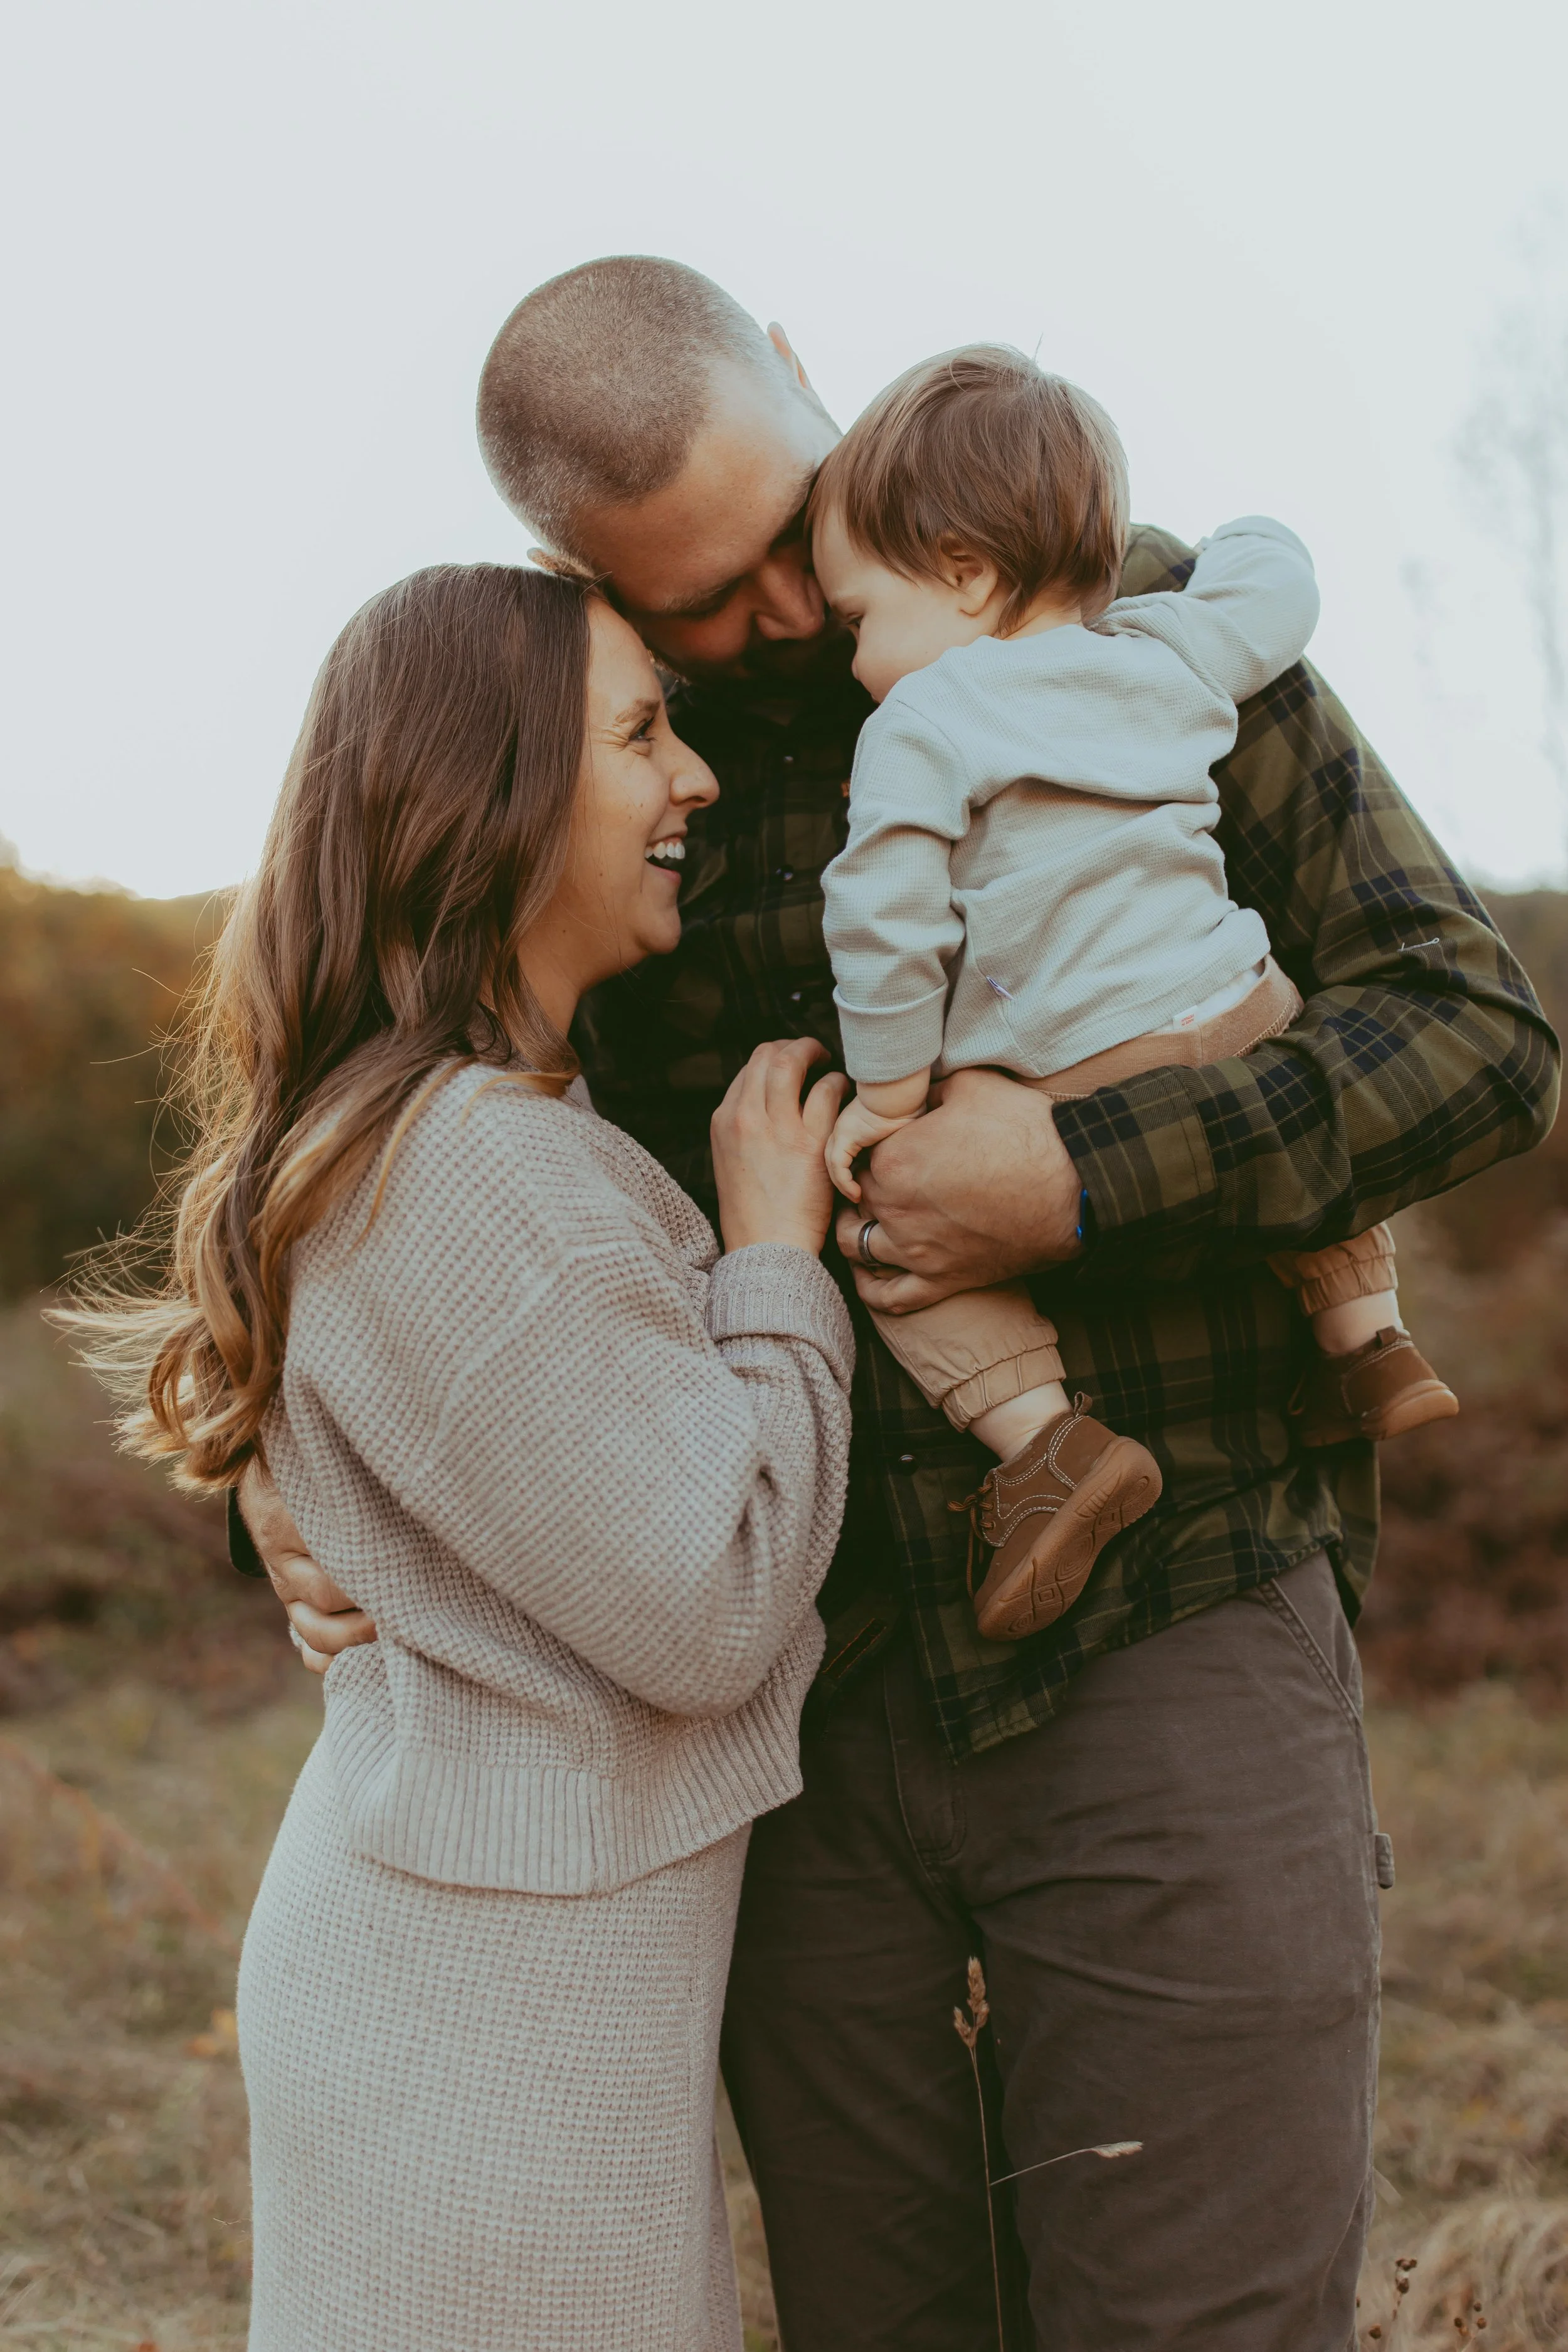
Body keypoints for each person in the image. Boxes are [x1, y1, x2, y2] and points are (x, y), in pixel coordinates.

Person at [239, 258, 1560, 2352]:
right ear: (585, 576)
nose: (776, 622)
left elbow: (1477, 1037)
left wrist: (1083, 1179)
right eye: (701, 602)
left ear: (793, 359)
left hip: (1174, 1628)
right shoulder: (602, 774)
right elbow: (394, 1111)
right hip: (801, 1724)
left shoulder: (1111, 610)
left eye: (792, 541)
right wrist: (295, 1472)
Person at [61, 564, 856, 2351]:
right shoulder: (480, 1164)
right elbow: (716, 1599)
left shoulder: (480, 1130)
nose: (695, 778)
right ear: (492, 793)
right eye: (641, 731)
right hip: (491, 2007)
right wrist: (776, 1253)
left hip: (497, 1953)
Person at [810, 347, 1458, 1641]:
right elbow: (1275, 588)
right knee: (1300, 1105)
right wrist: (1245, 529)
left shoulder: (924, 719)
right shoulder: (1162, 650)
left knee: (893, 1243)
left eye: (855, 618)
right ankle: (1364, 1337)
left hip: (1072, 1057)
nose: (851, 659)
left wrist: (887, 1093)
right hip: (1233, 1000)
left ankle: (1047, 1448)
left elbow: (882, 917)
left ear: (964, 576)